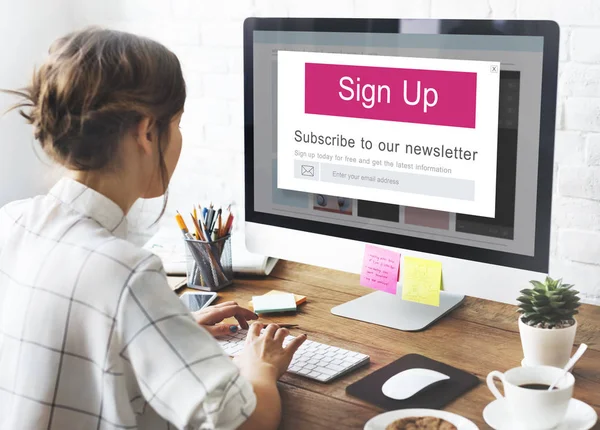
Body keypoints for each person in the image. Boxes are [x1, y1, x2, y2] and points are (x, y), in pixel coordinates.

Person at [0, 27, 306, 430]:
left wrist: (164, 329)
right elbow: (246, 422)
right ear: (147, 132)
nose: (178, 139)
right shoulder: (126, 272)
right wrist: (259, 367)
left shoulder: (11, 221)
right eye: (176, 124)